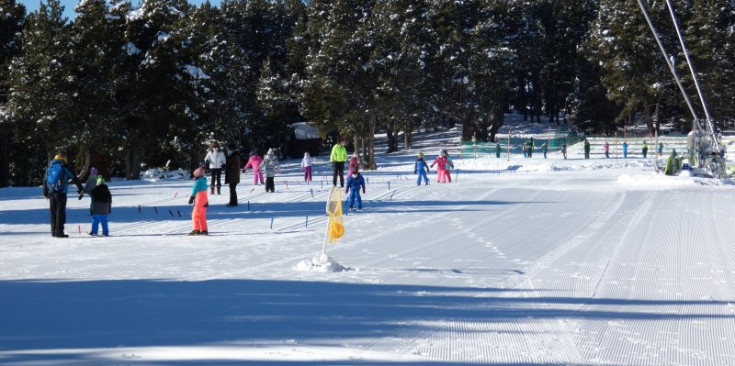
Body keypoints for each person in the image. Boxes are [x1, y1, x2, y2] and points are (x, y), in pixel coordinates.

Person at [43, 153, 84, 238]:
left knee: (53, 212)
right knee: (60, 213)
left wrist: (45, 193)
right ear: (64, 159)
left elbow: (45, 180)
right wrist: (80, 188)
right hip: (61, 193)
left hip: (51, 193)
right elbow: (74, 178)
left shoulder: (49, 167)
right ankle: (59, 232)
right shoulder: (65, 167)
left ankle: (53, 231)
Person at [188, 166, 208, 235]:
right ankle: (204, 229)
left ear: (197, 175)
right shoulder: (204, 181)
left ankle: (196, 230)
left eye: (195, 175)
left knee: (195, 215)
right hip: (205, 199)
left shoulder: (198, 181)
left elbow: (195, 189)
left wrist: (192, 197)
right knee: (202, 215)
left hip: (199, 199)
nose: (194, 176)